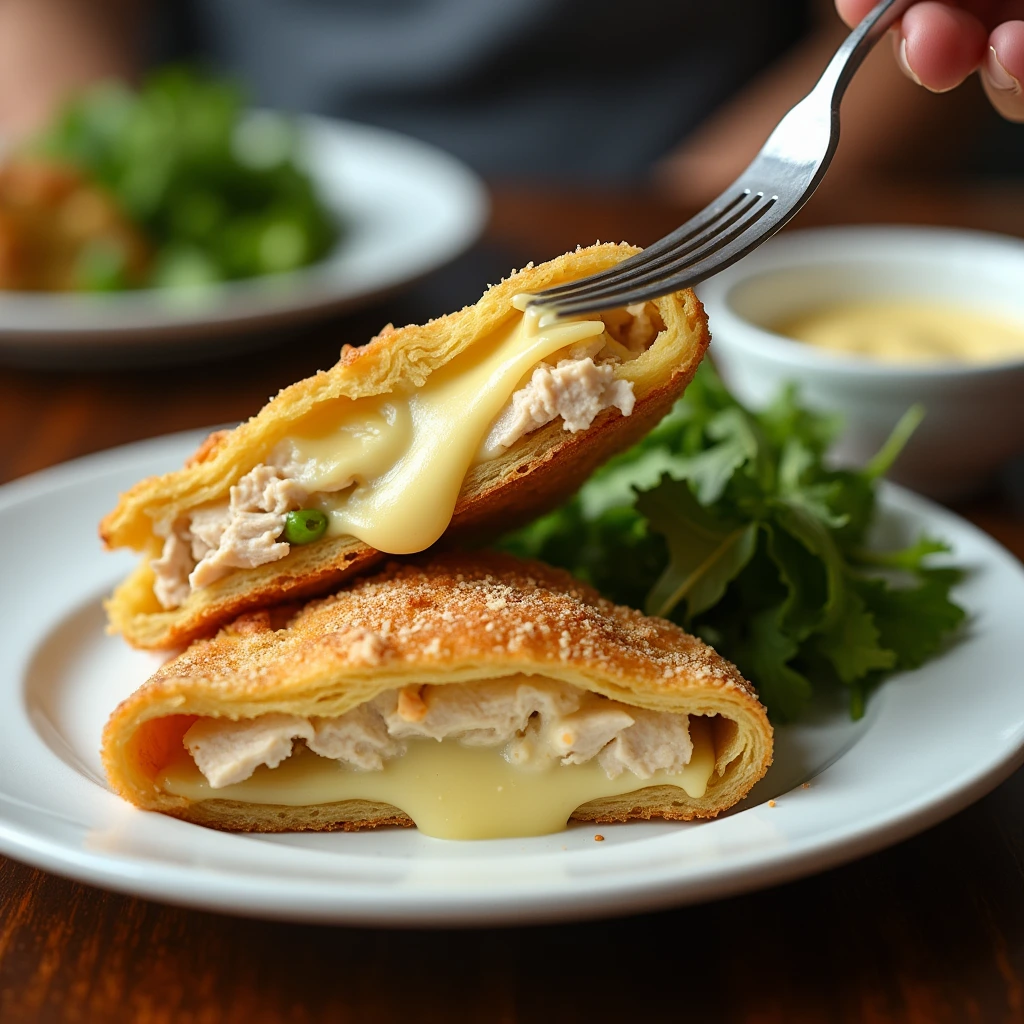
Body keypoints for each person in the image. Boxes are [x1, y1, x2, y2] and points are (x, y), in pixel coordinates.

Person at [0, 0, 1018, 198]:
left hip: (681, 187)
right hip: (274, 205)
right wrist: (98, 203)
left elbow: (901, 38)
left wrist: (711, 218)